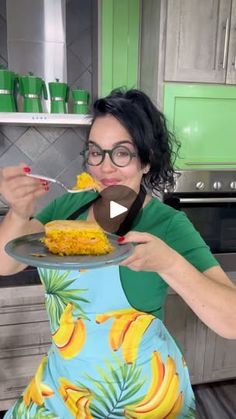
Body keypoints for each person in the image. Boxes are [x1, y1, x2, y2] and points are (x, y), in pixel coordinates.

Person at [0, 88, 236, 419]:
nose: (104, 167)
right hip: (65, 385)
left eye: (121, 153)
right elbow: (5, 263)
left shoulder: (166, 224)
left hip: (139, 396)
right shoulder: (69, 206)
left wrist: (169, 263)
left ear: (147, 159)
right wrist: (17, 212)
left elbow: (232, 321)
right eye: (96, 152)